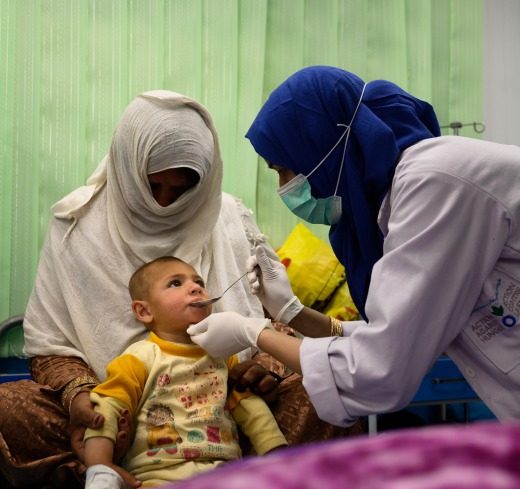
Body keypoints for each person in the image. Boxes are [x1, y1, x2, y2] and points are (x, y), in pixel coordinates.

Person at [0, 89, 361, 489]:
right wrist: (83, 402)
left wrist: (265, 370)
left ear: (203, 182)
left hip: (225, 412)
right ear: (126, 166)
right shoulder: (77, 227)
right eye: (151, 186)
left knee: (328, 392)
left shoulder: (227, 218)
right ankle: (108, 470)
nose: (163, 204)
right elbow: (52, 347)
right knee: (9, 409)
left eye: (182, 189)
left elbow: (277, 326)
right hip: (115, 419)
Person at [188, 65, 520, 427]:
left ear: (322, 147)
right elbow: (395, 331)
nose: (285, 189)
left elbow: (379, 369)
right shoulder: (400, 200)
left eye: (284, 170)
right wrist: (293, 313)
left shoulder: (435, 184)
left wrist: (252, 330)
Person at [84, 256, 286, 489]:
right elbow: (107, 409)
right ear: (144, 311)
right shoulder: (138, 359)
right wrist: (100, 466)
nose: (196, 287)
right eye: (175, 283)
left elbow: (253, 412)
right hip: (157, 479)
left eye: (199, 281)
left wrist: (280, 460)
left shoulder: (223, 356)